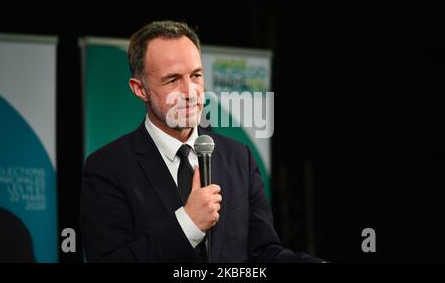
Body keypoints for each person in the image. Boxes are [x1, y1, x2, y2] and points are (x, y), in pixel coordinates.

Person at [80, 20, 325, 263]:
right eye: (172, 80)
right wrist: (188, 224)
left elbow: (263, 252)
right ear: (140, 89)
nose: (190, 92)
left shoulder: (238, 157)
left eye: (195, 75)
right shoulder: (107, 167)